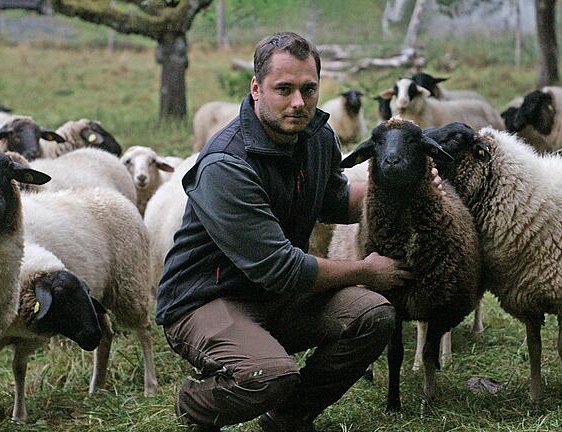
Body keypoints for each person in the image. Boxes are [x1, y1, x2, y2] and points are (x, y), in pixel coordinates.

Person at [156, 32, 429, 432]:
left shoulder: (315, 137)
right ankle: (194, 404)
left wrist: (402, 184)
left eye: (308, 88)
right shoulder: (226, 164)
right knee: (271, 376)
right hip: (207, 298)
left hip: (277, 295)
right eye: (283, 89)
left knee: (373, 316)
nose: (299, 102)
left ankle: (288, 417)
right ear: (255, 89)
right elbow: (281, 268)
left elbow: (337, 200)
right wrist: (366, 272)